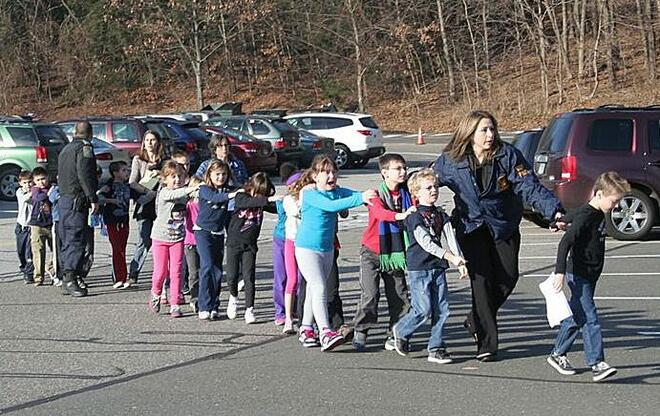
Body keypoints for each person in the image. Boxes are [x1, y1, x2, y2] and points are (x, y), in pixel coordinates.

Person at [433, 110, 564, 361]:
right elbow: (427, 181)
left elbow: (530, 186)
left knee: (508, 277)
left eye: (492, 129)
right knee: (481, 284)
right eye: (484, 130)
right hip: (471, 227)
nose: (490, 135)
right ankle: (486, 344)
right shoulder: (451, 160)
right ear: (470, 133)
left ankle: (476, 319)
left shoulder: (507, 155)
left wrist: (554, 212)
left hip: (503, 224)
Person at [546, 172, 630, 382]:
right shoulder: (588, 215)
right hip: (579, 274)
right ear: (600, 194)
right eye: (614, 201)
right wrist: (559, 272)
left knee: (577, 316)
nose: (616, 206)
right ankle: (597, 363)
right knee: (590, 318)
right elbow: (565, 243)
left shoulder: (594, 212)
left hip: (590, 274)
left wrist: (559, 221)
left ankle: (557, 354)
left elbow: (572, 215)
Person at [295, 156, 376, 351]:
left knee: (316, 290)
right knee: (320, 286)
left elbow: (353, 194)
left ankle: (306, 328)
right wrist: (360, 198)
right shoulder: (310, 193)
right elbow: (331, 206)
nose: (331, 176)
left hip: (327, 248)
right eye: (325, 172)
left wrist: (371, 194)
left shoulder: (336, 191)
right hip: (306, 248)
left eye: (334, 172)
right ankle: (325, 332)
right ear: (315, 176)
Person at [391, 169, 468, 363]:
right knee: (423, 309)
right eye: (428, 188)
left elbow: (450, 236)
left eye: (435, 187)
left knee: (442, 309)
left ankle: (436, 347)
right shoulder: (414, 217)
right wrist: (450, 257)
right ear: (416, 193)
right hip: (419, 267)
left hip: (438, 267)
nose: (433, 190)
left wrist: (460, 260)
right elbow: (426, 242)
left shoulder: (440, 213)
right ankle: (400, 330)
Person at [352, 153, 416, 351]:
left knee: (399, 295)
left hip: (395, 252)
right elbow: (379, 214)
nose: (403, 172)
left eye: (404, 168)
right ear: (384, 173)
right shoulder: (375, 195)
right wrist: (401, 215)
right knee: (370, 295)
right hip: (372, 251)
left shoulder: (409, 194)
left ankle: (396, 333)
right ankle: (361, 330)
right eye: (398, 169)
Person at [225, 172, 280, 324]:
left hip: (250, 245)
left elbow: (275, 207)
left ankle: (249, 309)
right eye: (259, 193)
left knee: (249, 277)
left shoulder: (262, 202)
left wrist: (285, 202)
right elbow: (247, 203)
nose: (260, 197)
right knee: (231, 276)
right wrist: (266, 199)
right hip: (234, 243)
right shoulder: (241, 196)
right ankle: (233, 297)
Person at [147, 161, 199, 318]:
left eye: (180, 177)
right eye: (173, 177)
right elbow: (175, 194)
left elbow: (196, 197)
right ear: (165, 179)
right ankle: (156, 293)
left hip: (178, 238)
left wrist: (202, 189)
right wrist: (191, 188)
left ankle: (175, 303)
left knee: (176, 272)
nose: (177, 180)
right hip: (160, 238)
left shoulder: (184, 194)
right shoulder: (164, 193)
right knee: (161, 271)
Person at [57, 121, 98, 297]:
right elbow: (85, 173)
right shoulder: (84, 148)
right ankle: (71, 278)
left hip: (65, 199)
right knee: (76, 238)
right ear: (90, 134)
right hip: (76, 200)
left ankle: (66, 277)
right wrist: (92, 198)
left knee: (66, 239)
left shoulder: (66, 149)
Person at [195, 162, 239, 320]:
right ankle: (203, 305)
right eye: (217, 174)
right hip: (202, 232)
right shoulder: (204, 189)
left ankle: (214, 305)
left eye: (224, 174)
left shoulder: (228, 189)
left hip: (218, 233)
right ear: (210, 175)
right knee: (206, 265)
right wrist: (232, 195)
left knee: (217, 270)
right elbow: (215, 198)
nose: (221, 177)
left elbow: (243, 191)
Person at [128, 130, 166, 286]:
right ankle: (133, 272)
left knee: (162, 241)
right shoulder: (138, 159)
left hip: (161, 204)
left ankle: (162, 274)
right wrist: (147, 191)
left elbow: (170, 179)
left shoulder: (164, 160)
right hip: (144, 204)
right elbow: (132, 182)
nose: (150, 143)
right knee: (144, 240)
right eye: (147, 140)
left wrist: (160, 177)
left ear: (158, 142)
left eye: (153, 140)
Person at [99, 161, 132, 289]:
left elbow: (140, 196)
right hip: (112, 220)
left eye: (127, 170)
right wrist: (111, 200)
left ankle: (123, 277)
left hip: (124, 220)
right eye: (123, 170)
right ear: (115, 172)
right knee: (117, 249)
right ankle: (119, 277)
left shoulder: (127, 186)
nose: (126, 173)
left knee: (122, 249)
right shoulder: (109, 185)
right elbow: (99, 197)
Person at [272, 162, 298, 326]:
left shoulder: (307, 198)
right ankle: (280, 312)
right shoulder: (284, 200)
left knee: (299, 278)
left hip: (299, 240)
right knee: (282, 277)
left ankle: (296, 308)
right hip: (282, 238)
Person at [282, 170, 307, 334]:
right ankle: (288, 318)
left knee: (306, 279)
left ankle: (305, 315)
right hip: (292, 241)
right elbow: (296, 212)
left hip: (306, 243)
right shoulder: (288, 200)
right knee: (292, 279)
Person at [28, 167, 55, 286]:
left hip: (51, 223)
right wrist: (48, 193)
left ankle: (52, 268)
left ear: (48, 177)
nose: (41, 182)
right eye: (38, 180)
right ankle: (38, 276)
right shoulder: (35, 190)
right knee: (38, 250)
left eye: (43, 179)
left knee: (56, 249)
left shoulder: (53, 188)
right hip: (37, 224)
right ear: (34, 181)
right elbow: (38, 198)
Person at [184, 176, 203, 313]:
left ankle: (204, 296)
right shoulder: (188, 205)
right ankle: (194, 297)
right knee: (193, 272)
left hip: (204, 241)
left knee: (204, 271)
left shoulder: (205, 204)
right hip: (190, 242)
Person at [15, 170, 34, 284]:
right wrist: (35, 190)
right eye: (25, 182)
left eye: (30, 182)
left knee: (29, 252)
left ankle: (29, 273)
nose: (28, 185)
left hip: (30, 226)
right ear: (20, 183)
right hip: (21, 226)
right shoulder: (20, 192)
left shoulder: (35, 192)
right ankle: (23, 268)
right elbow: (26, 198)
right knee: (21, 251)